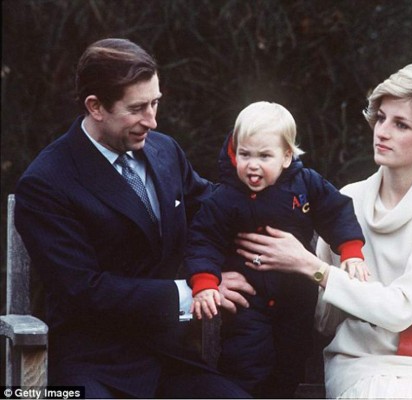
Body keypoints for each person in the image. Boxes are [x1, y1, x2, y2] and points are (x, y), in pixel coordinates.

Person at [14, 38, 254, 399]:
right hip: (92, 365)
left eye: (155, 103)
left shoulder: (164, 151)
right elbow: (84, 291)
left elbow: (213, 208)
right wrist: (192, 292)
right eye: (138, 108)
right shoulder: (47, 182)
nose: (152, 120)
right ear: (95, 106)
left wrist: (286, 204)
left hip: (169, 357)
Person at [234, 64, 412, 398]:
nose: (381, 131)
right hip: (362, 361)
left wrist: (312, 267)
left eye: (400, 124)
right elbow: (323, 321)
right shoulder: (347, 200)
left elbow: (400, 309)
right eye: (380, 118)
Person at [183, 101, 368, 397]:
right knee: (245, 365)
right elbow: (204, 240)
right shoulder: (225, 198)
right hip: (247, 303)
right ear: (234, 153)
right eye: (245, 154)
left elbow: (336, 212)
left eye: (264, 156)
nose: (252, 164)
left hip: (295, 298)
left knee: (290, 363)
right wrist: (205, 282)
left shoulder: (305, 185)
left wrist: (350, 250)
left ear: (286, 157)